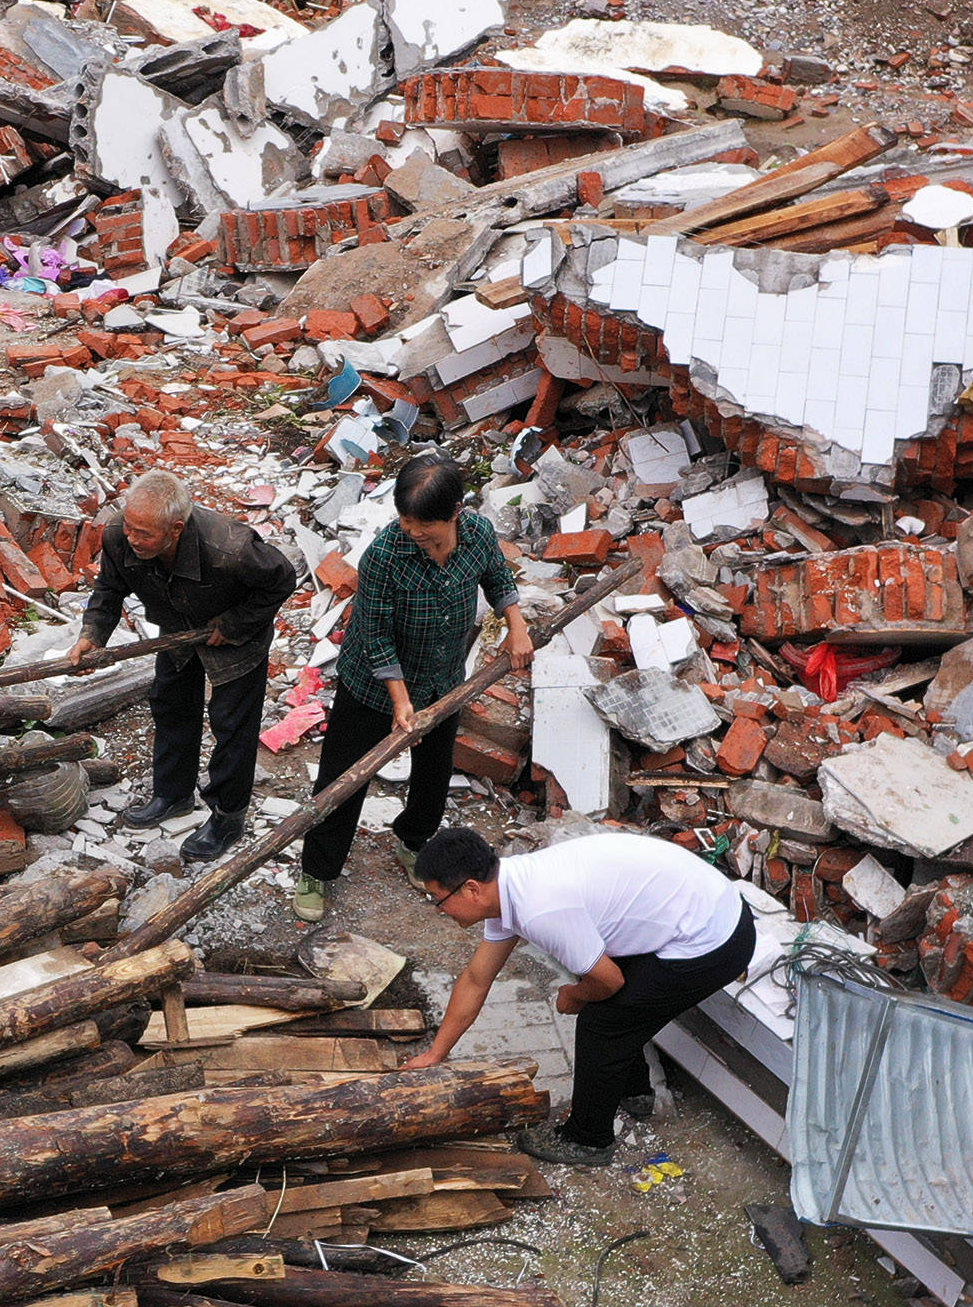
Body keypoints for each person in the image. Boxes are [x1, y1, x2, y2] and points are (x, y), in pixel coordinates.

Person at [402, 825, 758, 1166]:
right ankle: (632, 1093)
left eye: (438, 899)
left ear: (471, 889)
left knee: (602, 1021)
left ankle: (587, 1139)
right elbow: (477, 979)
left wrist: (574, 995)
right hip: (698, 910)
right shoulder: (509, 889)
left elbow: (608, 982)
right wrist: (436, 1053)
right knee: (620, 1006)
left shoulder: (541, 909)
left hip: (714, 939)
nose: (439, 910)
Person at [292, 453, 531, 922]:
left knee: (433, 773)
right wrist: (401, 705)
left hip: (442, 679)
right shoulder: (385, 554)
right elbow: (375, 634)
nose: (415, 535)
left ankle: (414, 842)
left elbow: (499, 578)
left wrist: (517, 626)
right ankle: (317, 869)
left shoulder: (478, 534)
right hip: (373, 685)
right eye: (407, 524)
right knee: (345, 777)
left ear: (456, 514)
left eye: (427, 529)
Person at [69, 472, 297, 862]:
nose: (133, 540)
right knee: (171, 705)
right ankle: (172, 794)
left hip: (235, 638)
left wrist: (234, 624)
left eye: (145, 534)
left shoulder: (231, 548)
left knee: (231, 725)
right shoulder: (117, 535)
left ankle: (227, 816)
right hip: (177, 628)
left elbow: (282, 580)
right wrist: (93, 634)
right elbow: (109, 588)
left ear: (176, 528)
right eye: (130, 528)